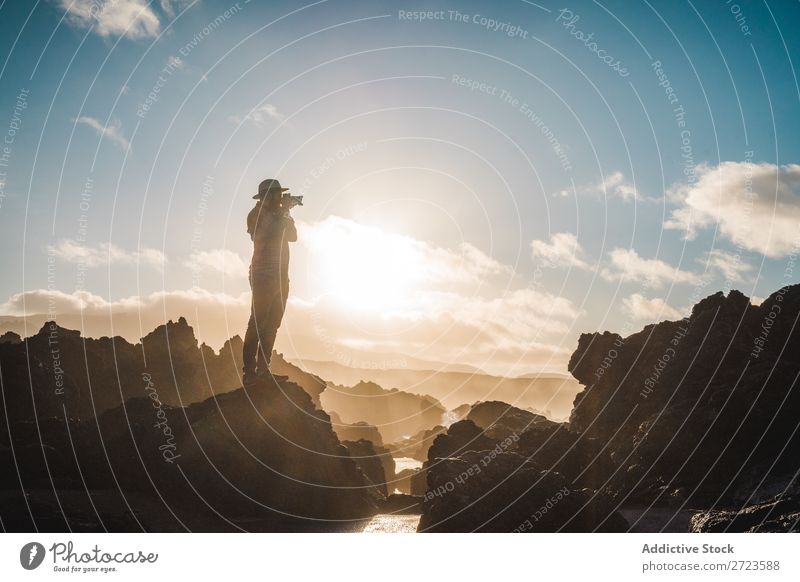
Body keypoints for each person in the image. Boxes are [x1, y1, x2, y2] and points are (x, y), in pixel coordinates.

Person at [242, 178, 297, 385]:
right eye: (277, 195)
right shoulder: (256, 215)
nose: (280, 199)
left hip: (282, 277)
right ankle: (250, 374)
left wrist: (286, 212)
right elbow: (267, 235)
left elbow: (293, 236)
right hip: (263, 275)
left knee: (272, 324)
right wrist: (283, 213)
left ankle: (264, 371)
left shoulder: (279, 214)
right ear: (268, 196)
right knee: (257, 323)